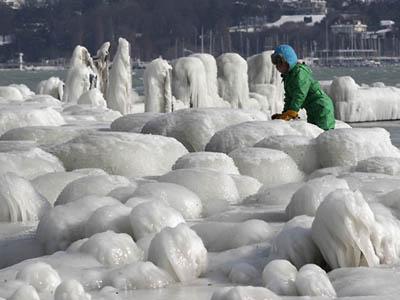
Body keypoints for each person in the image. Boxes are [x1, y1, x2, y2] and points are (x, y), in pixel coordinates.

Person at [270, 44, 335, 130]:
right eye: (276, 63)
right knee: (315, 135)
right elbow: (289, 97)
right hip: (312, 109)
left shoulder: (300, 72)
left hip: (322, 107)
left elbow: (300, 93)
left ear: (288, 62)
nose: (277, 66)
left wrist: (292, 111)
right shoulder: (288, 77)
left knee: (325, 136)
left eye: (280, 63)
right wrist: (285, 113)